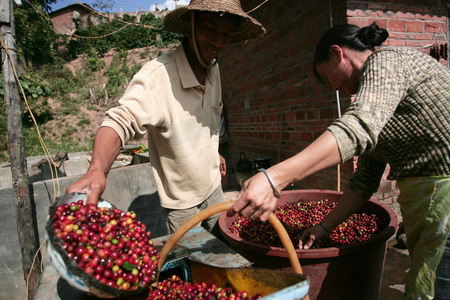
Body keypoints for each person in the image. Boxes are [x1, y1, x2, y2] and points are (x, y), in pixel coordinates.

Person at [227, 23, 450, 299]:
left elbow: (358, 126)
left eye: (327, 77)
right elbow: (364, 180)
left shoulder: (387, 61)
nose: (334, 87)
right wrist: (322, 227)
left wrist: (275, 178)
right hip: (427, 201)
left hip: (442, 198)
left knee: (438, 283)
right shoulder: (377, 99)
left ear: (338, 53)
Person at [66, 0, 265, 235]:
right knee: (197, 265)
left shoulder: (213, 68)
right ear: (191, 24)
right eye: (211, 29)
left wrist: (214, 152)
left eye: (226, 34)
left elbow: (203, 124)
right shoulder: (157, 76)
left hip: (214, 190)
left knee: (227, 250)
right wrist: (97, 169)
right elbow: (119, 121)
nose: (219, 42)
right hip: (182, 205)